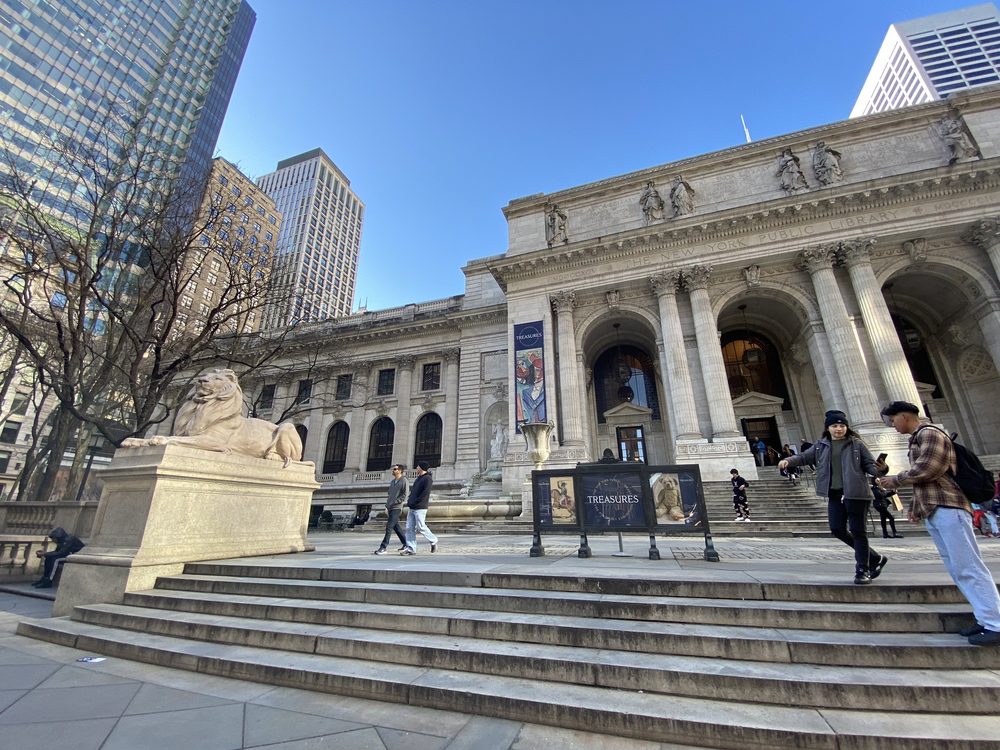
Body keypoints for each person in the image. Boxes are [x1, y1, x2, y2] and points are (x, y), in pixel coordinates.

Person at [878, 400, 1000, 646]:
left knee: (969, 567)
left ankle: (995, 623)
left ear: (904, 416)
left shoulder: (930, 433)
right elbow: (927, 482)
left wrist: (896, 479)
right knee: (958, 568)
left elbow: (928, 469)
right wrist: (916, 507)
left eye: (893, 420)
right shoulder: (917, 438)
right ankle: (984, 618)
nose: (893, 426)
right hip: (936, 508)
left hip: (949, 507)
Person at [779, 410, 888, 584]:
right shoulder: (821, 446)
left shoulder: (856, 444)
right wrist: (788, 461)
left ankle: (863, 569)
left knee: (858, 531)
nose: (839, 429)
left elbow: (870, 466)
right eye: (835, 426)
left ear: (847, 427)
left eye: (842, 425)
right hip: (835, 494)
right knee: (837, 529)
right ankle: (874, 558)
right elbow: (804, 457)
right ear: (828, 428)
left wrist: (881, 469)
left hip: (857, 493)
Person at [401, 461, 438, 555]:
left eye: (418, 466)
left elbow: (425, 493)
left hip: (420, 507)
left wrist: (416, 502)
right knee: (409, 528)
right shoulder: (418, 478)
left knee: (421, 526)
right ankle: (411, 548)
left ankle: (433, 540)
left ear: (421, 468)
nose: (416, 467)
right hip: (412, 507)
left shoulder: (428, 479)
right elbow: (414, 492)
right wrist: (410, 501)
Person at [374, 464, 409, 555]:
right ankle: (406, 544)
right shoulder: (393, 482)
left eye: (395, 469)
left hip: (397, 507)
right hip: (390, 507)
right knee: (396, 526)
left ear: (400, 471)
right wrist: (388, 504)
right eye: (393, 469)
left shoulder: (404, 480)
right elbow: (390, 494)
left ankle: (383, 547)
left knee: (389, 526)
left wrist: (396, 502)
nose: (393, 471)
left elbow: (405, 494)